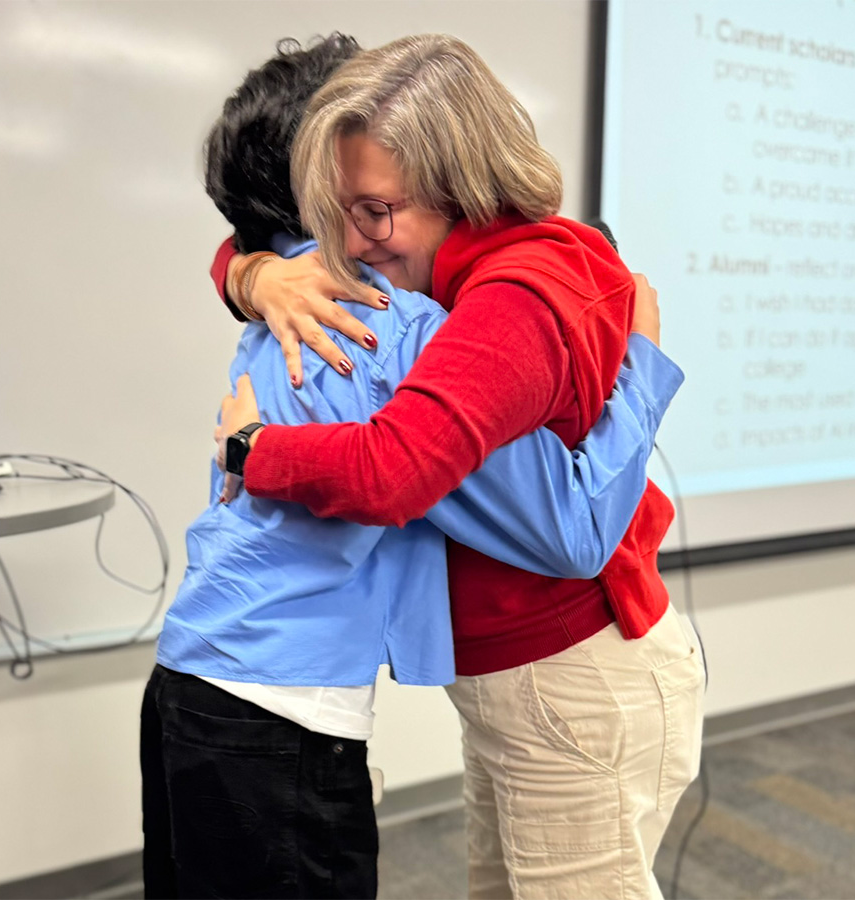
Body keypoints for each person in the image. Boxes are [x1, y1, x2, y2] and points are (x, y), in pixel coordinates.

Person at [143, 34, 684, 900]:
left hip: (220, 680)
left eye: (371, 207)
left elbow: (543, 521)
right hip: (299, 702)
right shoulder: (357, 304)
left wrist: (254, 426)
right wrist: (249, 273)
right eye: (340, 207)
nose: (356, 238)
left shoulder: (413, 314)